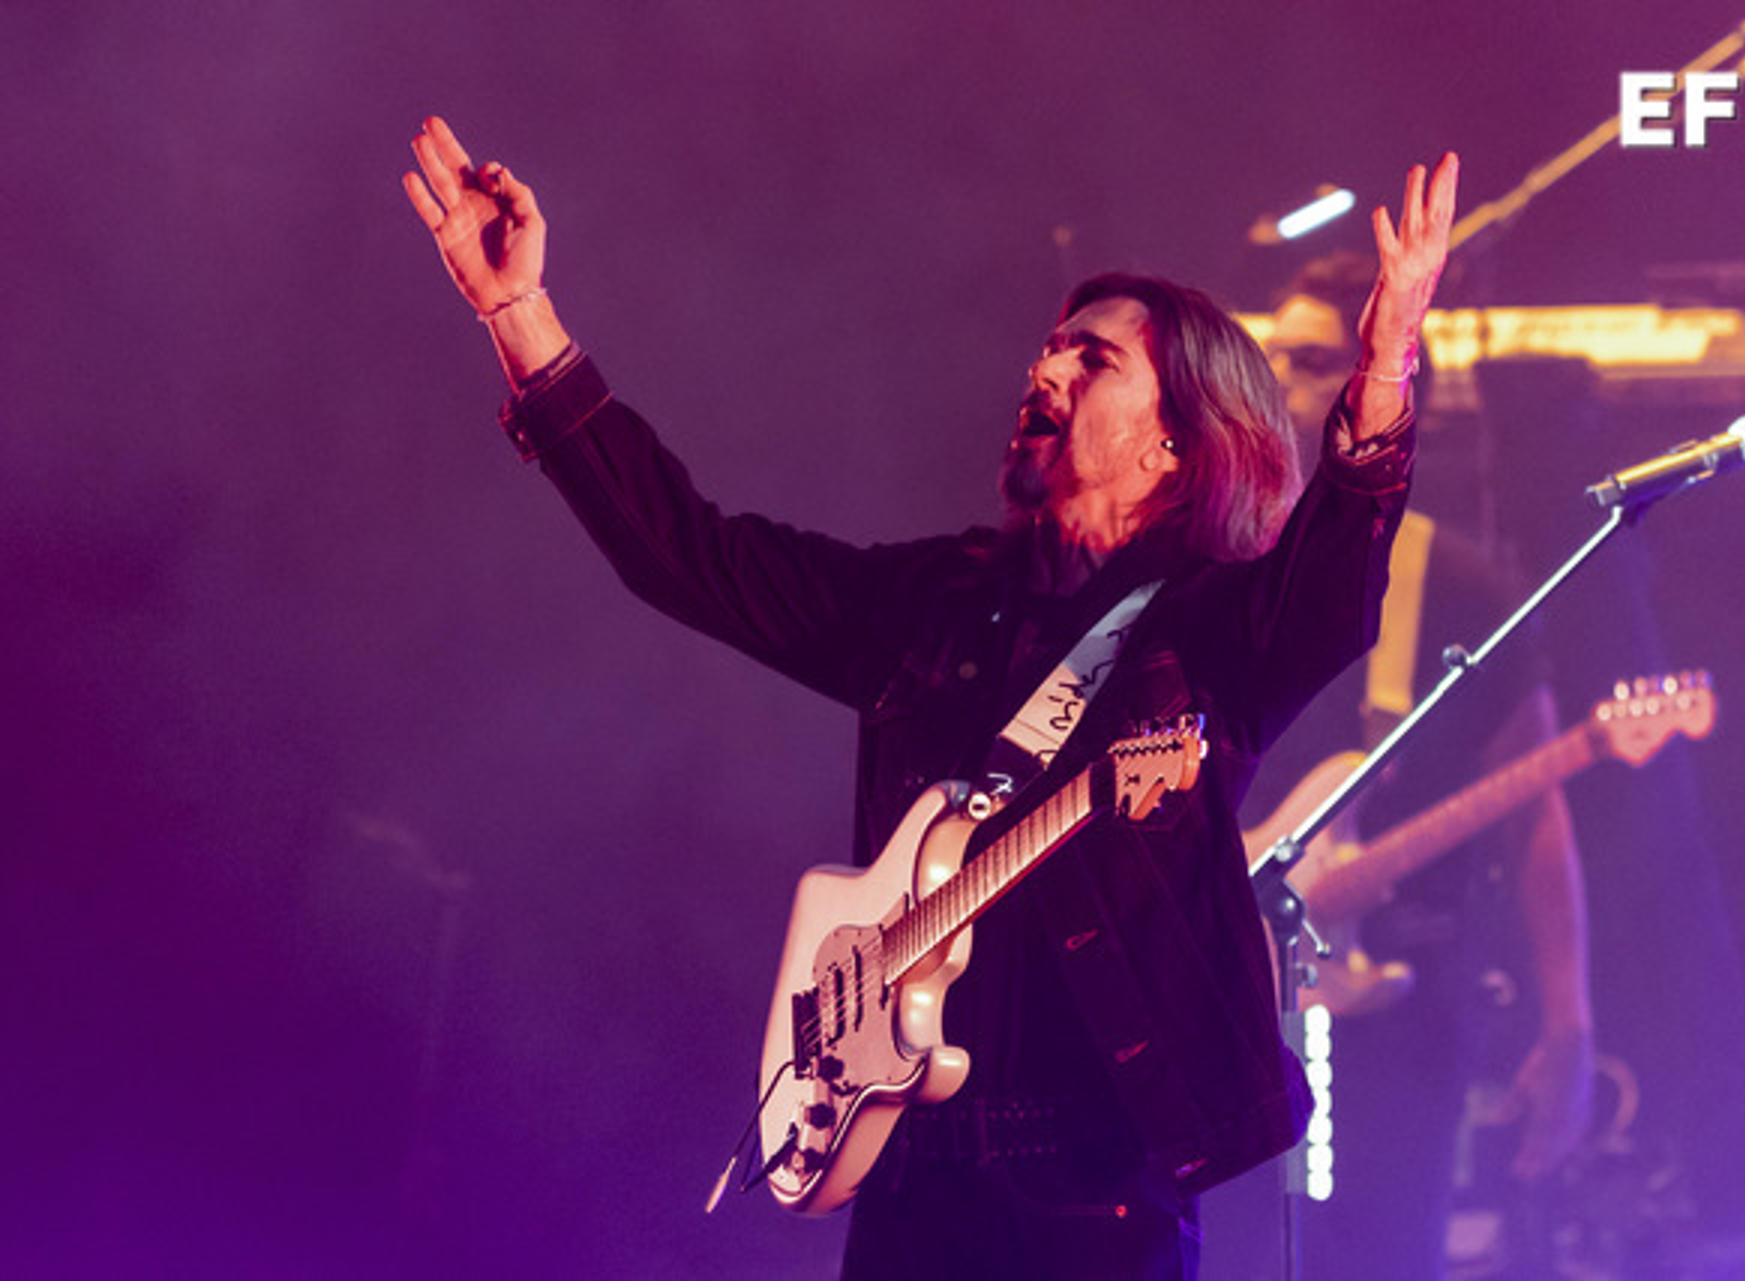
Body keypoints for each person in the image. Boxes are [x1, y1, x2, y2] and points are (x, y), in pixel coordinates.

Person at [403, 116, 1457, 1279]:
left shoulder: (1206, 630)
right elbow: (686, 555)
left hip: (1094, 1207)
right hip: (909, 1184)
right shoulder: (934, 604)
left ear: (1173, 444)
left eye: (1092, 361)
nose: (1043, 368)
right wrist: (520, 318)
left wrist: (1385, 368)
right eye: (1050, 348)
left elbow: (1333, 583)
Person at [1244, 250, 1594, 1278]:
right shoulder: (1215, 563)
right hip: (1220, 999)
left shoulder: (1457, 583)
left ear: (1384, 381)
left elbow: (1539, 809)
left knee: (1379, 1256)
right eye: (1272, 354)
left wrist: (1570, 1022)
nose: (1271, 379)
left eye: (1308, 358)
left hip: (1395, 1005)